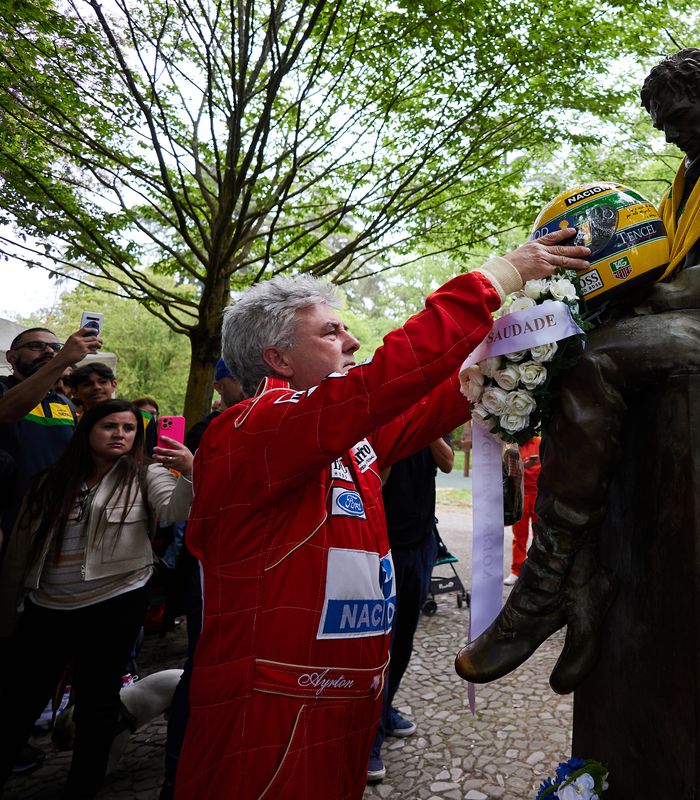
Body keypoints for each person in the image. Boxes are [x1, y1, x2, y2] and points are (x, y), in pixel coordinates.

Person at [172, 229, 588, 800]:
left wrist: (532, 333)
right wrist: (495, 278)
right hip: (271, 706)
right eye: (330, 331)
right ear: (278, 358)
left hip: (345, 700)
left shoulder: (343, 437)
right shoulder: (251, 428)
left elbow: (435, 398)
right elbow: (385, 380)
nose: (353, 341)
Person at [456, 47, 700, 694]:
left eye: (675, 115)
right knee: (576, 346)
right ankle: (582, 579)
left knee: (599, 357)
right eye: (660, 123)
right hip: (694, 311)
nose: (669, 131)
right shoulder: (691, 171)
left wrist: (641, 303)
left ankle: (546, 587)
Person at [0, 399, 194, 797]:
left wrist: (189, 470)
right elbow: (19, 550)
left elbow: (176, 510)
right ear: (87, 430)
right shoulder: (50, 480)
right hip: (48, 605)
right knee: (19, 702)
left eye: (128, 428)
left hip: (115, 601)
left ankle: (83, 787)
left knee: (97, 703)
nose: (120, 434)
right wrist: (7, 613)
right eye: (109, 426)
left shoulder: (145, 474)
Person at [159, 358, 247, 799]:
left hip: (251, 564)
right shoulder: (209, 429)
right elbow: (186, 501)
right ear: (221, 384)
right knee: (204, 665)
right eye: (240, 378)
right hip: (209, 564)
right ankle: (180, 775)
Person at [365, 437, 454, 783]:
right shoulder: (382, 426)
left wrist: (428, 429)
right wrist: (398, 434)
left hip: (421, 544)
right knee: (378, 645)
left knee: (404, 639)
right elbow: (375, 483)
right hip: (383, 545)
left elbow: (447, 462)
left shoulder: (428, 427)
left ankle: (385, 712)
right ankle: (368, 740)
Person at [1, 327, 100, 537]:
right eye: (36, 346)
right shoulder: (3, 389)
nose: (48, 351)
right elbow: (6, 412)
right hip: (7, 516)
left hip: (51, 518)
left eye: (55, 347)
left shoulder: (65, 404)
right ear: (12, 357)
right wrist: (61, 359)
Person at [507, 436, 542, 586]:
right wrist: (525, 465)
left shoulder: (540, 442)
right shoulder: (513, 446)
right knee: (519, 535)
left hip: (539, 494)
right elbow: (509, 472)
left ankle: (539, 570)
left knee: (540, 535)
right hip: (520, 494)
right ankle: (517, 571)